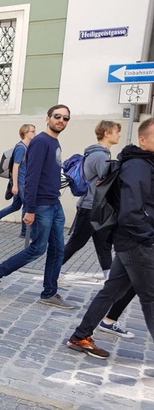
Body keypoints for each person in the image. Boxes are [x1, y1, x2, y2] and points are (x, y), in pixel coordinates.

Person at [65, 118, 154, 359]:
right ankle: (80, 335)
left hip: (130, 241)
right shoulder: (138, 166)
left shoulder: (145, 164)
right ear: (143, 139)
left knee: (111, 291)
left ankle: (80, 337)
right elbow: (132, 210)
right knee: (150, 296)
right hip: (136, 242)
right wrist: (149, 238)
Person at [0, 105, 76, 309]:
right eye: (57, 116)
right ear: (48, 118)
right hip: (42, 205)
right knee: (37, 248)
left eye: (66, 118)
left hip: (54, 203)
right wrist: (31, 209)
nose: (61, 120)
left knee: (58, 250)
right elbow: (32, 177)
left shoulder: (54, 142)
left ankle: (49, 293)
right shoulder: (41, 141)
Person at [59, 120, 136, 338]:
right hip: (91, 208)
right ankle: (52, 274)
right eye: (117, 132)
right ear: (107, 133)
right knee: (76, 243)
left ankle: (108, 279)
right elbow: (109, 182)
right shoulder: (100, 156)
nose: (119, 135)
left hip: (95, 208)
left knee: (103, 246)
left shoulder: (100, 154)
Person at [0, 123, 35, 237]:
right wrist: (15, 185)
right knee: (27, 205)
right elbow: (15, 167)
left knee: (16, 206)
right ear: (25, 133)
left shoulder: (26, 147)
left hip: (21, 182)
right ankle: (25, 232)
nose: (35, 133)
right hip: (21, 183)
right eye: (32, 131)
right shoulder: (21, 148)